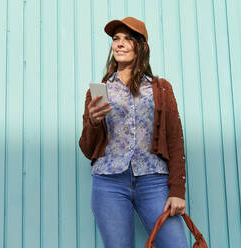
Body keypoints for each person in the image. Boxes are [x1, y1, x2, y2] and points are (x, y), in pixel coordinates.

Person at [79, 16, 189, 248]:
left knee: (176, 245)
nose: (119, 43)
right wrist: (93, 121)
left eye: (128, 39)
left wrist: (178, 190)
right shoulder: (99, 91)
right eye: (116, 39)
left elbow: (175, 139)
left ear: (141, 46)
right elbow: (88, 150)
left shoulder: (160, 89)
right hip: (109, 183)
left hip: (154, 182)